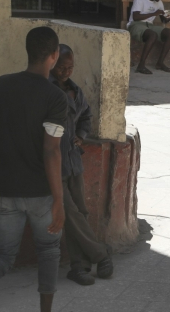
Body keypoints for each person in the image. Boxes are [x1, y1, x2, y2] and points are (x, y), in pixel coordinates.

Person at [0, 27, 67, 312]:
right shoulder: (55, 97)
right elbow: (51, 150)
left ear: (27, 51)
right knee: (49, 251)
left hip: (4, 188)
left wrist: (3, 164)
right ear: (54, 55)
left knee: (0, 256)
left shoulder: (2, 84)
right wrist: (58, 200)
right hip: (40, 192)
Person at [49, 45, 113, 286]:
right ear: (52, 63)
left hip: (73, 160)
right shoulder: (46, 89)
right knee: (69, 212)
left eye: (70, 67)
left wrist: (82, 134)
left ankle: (80, 267)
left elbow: (86, 115)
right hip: (53, 163)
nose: (65, 71)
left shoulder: (76, 91)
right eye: (61, 67)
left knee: (80, 212)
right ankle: (101, 253)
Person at [127, 0, 170, 75]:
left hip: (150, 26)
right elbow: (135, 17)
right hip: (135, 24)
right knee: (152, 35)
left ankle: (160, 63)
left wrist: (167, 18)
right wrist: (154, 13)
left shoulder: (159, 2)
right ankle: (141, 65)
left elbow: (163, 19)